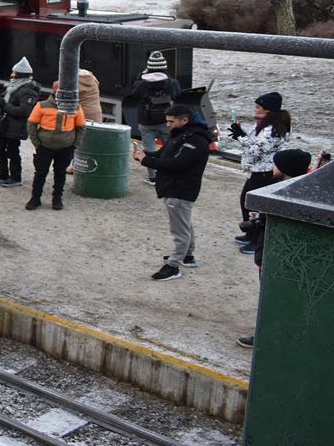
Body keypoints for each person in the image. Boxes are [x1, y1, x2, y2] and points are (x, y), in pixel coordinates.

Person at [237, 148, 312, 348]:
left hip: (274, 257)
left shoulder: (286, 195)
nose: (273, 167)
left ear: (285, 168)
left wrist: (262, 221)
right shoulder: (302, 190)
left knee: (271, 300)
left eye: (276, 163)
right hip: (279, 257)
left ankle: (266, 336)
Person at [132, 103, 213, 281]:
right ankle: (187, 256)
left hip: (180, 188)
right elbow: (164, 155)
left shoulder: (195, 140)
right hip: (176, 187)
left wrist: (146, 160)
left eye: (171, 121)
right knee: (185, 223)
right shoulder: (183, 135)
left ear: (184, 120)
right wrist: (146, 155)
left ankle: (173, 266)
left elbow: (176, 165)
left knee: (179, 230)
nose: (167, 125)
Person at [227, 92, 290, 254]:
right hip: (256, 170)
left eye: (258, 107)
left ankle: (257, 240)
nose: (255, 110)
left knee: (256, 207)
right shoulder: (263, 125)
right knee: (246, 201)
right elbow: (254, 142)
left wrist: (240, 137)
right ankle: (250, 233)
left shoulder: (274, 129)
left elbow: (257, 150)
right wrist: (241, 133)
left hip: (265, 173)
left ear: (268, 110)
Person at [25, 81, 85, 210]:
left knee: (60, 173)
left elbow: (81, 127)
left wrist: (75, 145)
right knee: (40, 173)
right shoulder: (42, 105)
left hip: (65, 147)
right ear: (54, 91)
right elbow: (31, 124)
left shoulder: (76, 107)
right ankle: (35, 198)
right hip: (45, 147)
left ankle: (57, 199)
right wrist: (37, 143)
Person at [0, 57, 41, 188]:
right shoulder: (13, 86)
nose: (11, 74)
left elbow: (23, 111)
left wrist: (3, 104)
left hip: (15, 127)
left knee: (12, 151)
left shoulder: (28, 90)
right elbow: (3, 101)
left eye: (14, 72)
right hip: (5, 125)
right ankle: (2, 173)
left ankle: (16, 177)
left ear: (21, 74)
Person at [129, 51, 181, 185]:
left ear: (149, 67)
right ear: (164, 67)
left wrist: (141, 75)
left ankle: (153, 177)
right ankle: (168, 174)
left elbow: (134, 94)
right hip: (166, 121)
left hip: (146, 121)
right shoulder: (171, 83)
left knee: (149, 150)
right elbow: (177, 96)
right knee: (168, 148)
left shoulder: (142, 83)